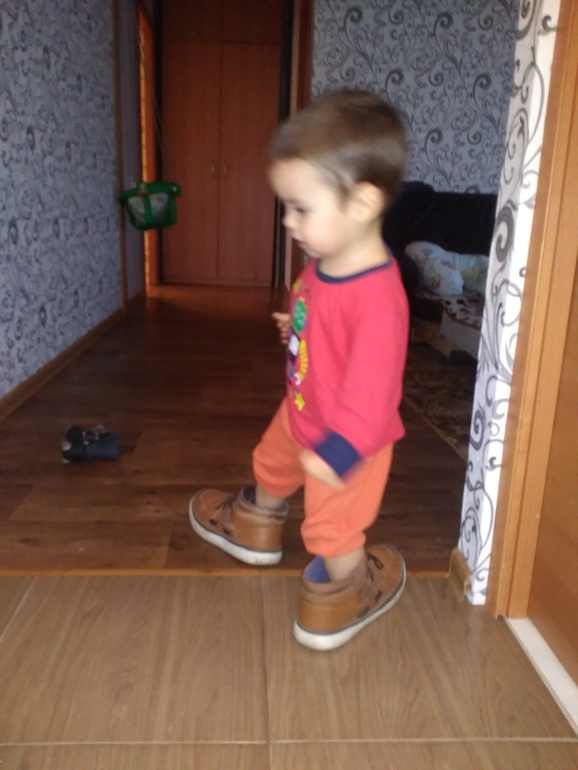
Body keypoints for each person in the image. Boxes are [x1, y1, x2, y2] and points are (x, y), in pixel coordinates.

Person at [190, 89, 410, 651]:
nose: (288, 221)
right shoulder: (324, 263)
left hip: (348, 444)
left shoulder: (379, 301)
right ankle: (256, 526)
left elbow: (374, 397)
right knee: (270, 462)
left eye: (301, 208)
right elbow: (324, 317)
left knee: (331, 527)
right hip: (303, 410)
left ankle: (343, 595)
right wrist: (301, 327)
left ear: (363, 203)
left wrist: (340, 453)